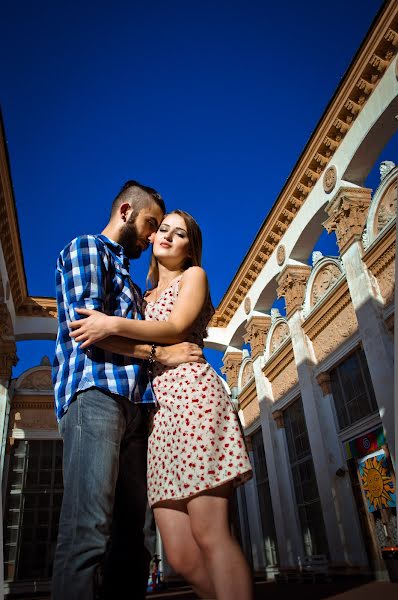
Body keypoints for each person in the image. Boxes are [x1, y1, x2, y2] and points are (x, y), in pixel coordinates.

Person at [70, 209, 254, 600]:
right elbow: (121, 343)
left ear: (191, 248)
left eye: (180, 233)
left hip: (195, 400)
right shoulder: (139, 296)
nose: (168, 236)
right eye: (163, 230)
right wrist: (108, 332)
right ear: (151, 239)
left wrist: (111, 324)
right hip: (159, 419)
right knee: (180, 554)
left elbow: (174, 328)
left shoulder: (194, 277)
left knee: (210, 532)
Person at [51, 182, 205, 600]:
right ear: (125, 211)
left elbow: (117, 330)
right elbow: (88, 331)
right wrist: (161, 353)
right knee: (88, 530)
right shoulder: (88, 249)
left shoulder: (133, 285)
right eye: (151, 224)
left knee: (134, 540)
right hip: (94, 396)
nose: (153, 236)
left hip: (138, 410)